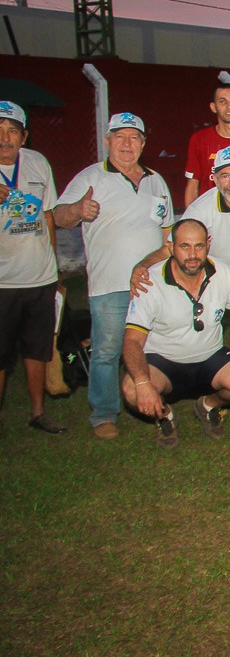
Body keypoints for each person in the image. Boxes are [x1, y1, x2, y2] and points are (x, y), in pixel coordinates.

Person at [55, 112, 174, 439]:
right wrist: (78, 210)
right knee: (107, 351)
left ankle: (154, 400)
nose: (126, 144)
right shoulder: (91, 178)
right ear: (107, 142)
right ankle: (104, 414)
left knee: (155, 347)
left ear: (143, 144)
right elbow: (58, 216)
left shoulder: (155, 180)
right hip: (109, 285)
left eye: (133, 138)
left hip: (151, 286)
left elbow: (166, 233)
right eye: (119, 137)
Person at [121, 219, 230, 446]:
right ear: (171, 247)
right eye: (184, 246)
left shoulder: (224, 273)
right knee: (131, 389)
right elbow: (131, 341)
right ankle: (165, 415)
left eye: (198, 246)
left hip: (210, 357)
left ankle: (207, 405)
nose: (192, 254)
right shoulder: (150, 281)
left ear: (208, 244)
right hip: (163, 362)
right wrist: (142, 382)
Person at [134, 146, 230, 308]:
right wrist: (142, 266)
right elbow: (170, 249)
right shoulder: (200, 209)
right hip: (216, 273)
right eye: (225, 176)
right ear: (215, 180)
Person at [0, 101, 65, 434]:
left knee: (38, 347)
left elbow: (49, 215)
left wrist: (53, 267)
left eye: (12, 131)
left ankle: (38, 412)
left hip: (40, 276)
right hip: (3, 281)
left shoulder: (38, 163)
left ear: (23, 137)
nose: (5, 138)